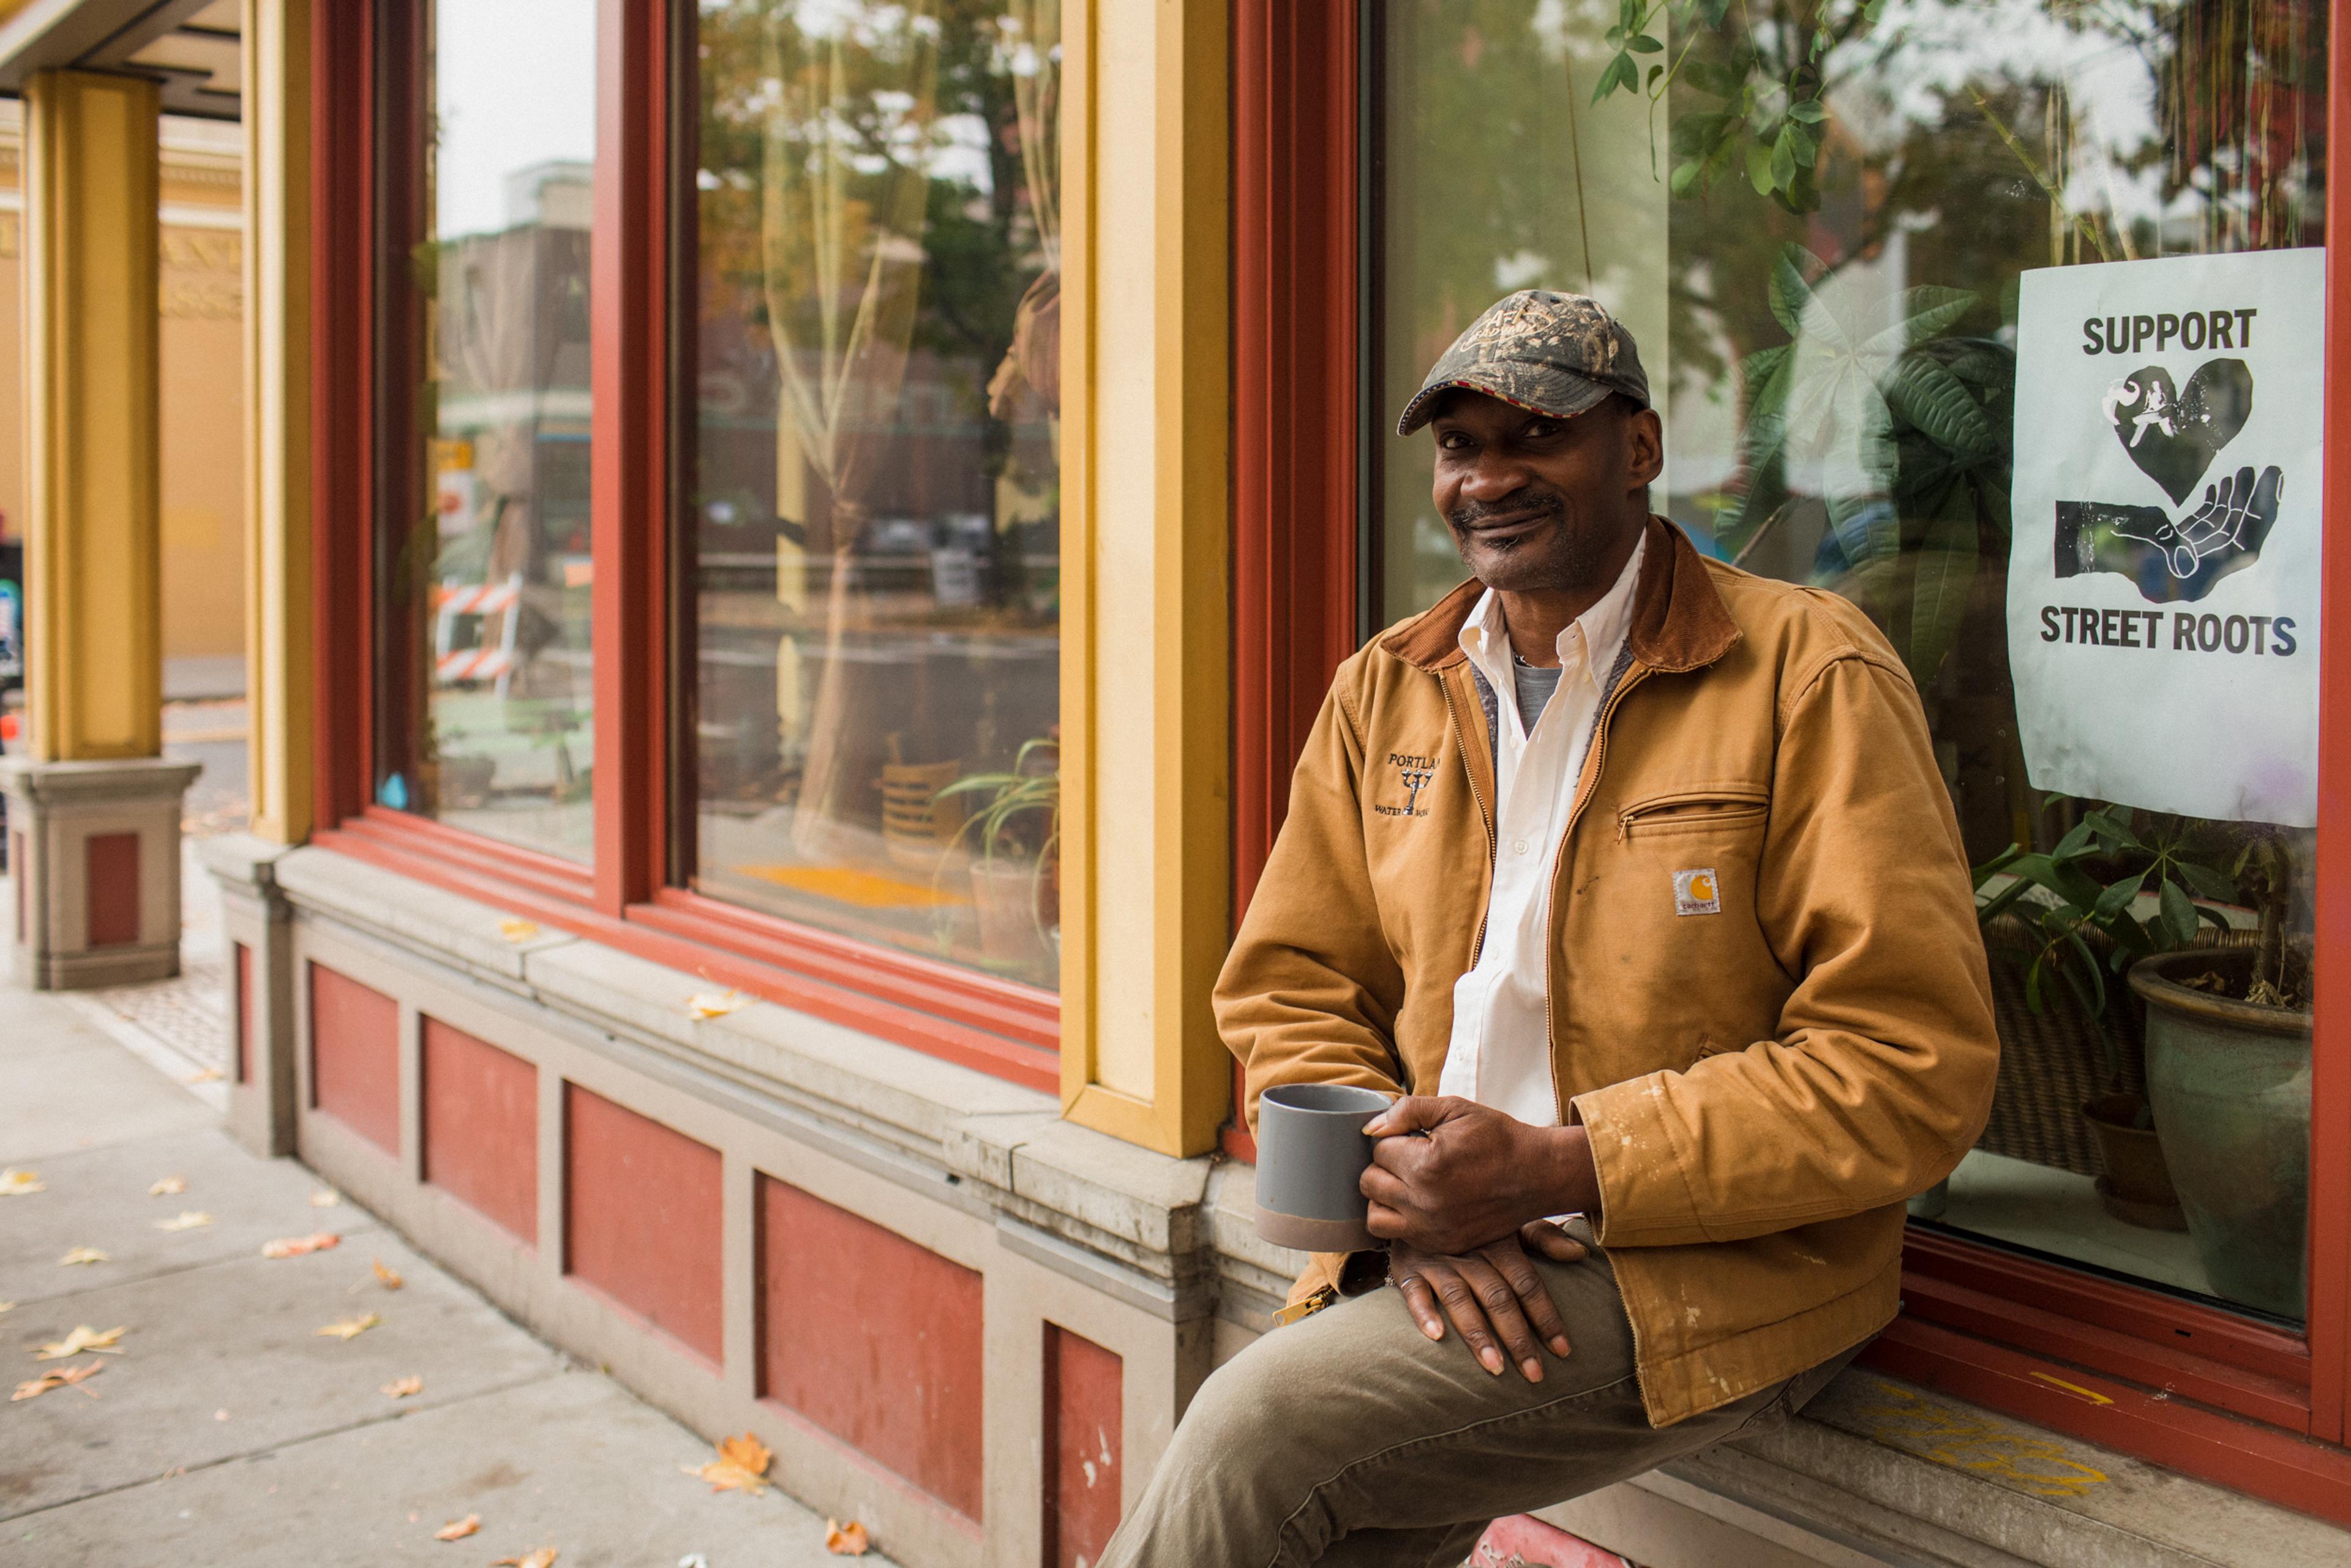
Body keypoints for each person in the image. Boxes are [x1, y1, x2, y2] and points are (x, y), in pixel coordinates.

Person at [1097, 291, 1999, 1567]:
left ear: (1637, 449)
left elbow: (1909, 1069)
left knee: (1257, 1430)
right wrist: (1405, 1202)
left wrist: (1558, 1171)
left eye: (1538, 436)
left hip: (1709, 1269)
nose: (1489, 478)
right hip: (1445, 1248)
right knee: (1324, 1527)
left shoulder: (1809, 672)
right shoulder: (1387, 688)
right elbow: (1292, 985)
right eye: (1461, 446)